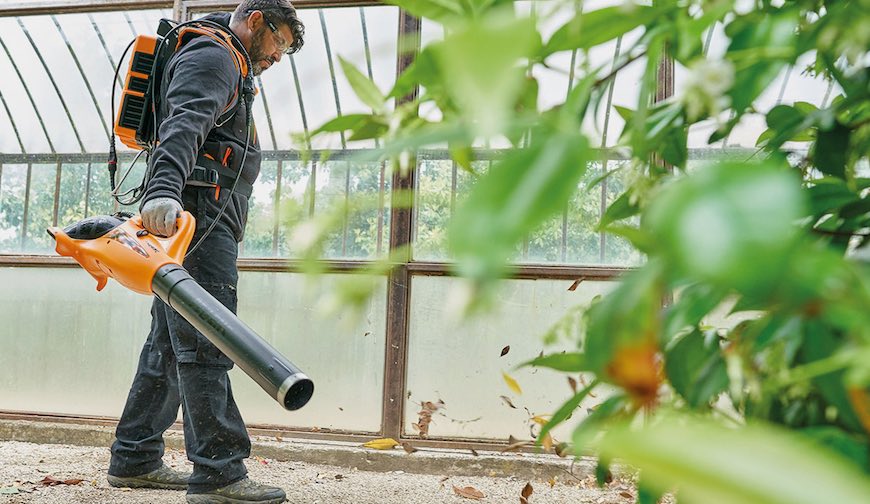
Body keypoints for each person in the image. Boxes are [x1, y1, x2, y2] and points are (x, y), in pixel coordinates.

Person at [105, 2, 304, 503]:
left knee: (169, 344)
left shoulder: (226, 58)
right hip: (195, 218)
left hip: (199, 216)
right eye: (278, 42)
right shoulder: (216, 55)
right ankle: (219, 473)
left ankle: (135, 457)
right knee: (209, 342)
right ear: (255, 20)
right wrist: (164, 192)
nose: (278, 56)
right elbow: (185, 120)